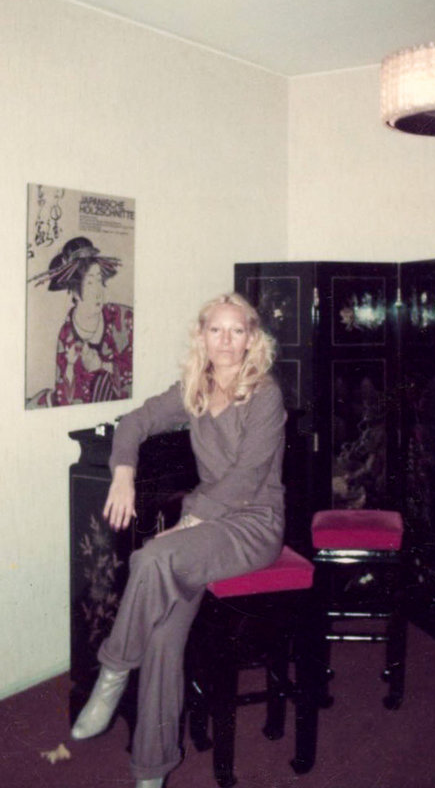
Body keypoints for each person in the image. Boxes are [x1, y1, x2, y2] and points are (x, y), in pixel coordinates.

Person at [70, 292, 286, 788]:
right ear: (201, 336)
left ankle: (112, 673)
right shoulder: (195, 386)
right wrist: (123, 473)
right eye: (216, 330)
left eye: (236, 331)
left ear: (251, 339)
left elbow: (246, 479)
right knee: (164, 636)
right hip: (205, 528)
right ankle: (151, 770)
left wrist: (191, 522)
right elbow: (134, 422)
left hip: (253, 525)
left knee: (151, 558)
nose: (225, 341)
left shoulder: (265, 394)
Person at [27, 236, 133, 407]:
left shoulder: (122, 317)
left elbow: (141, 369)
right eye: (90, 283)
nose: (98, 291)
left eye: (99, 280)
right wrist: (70, 366)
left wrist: (104, 365)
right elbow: (66, 400)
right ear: (75, 292)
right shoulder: (67, 335)